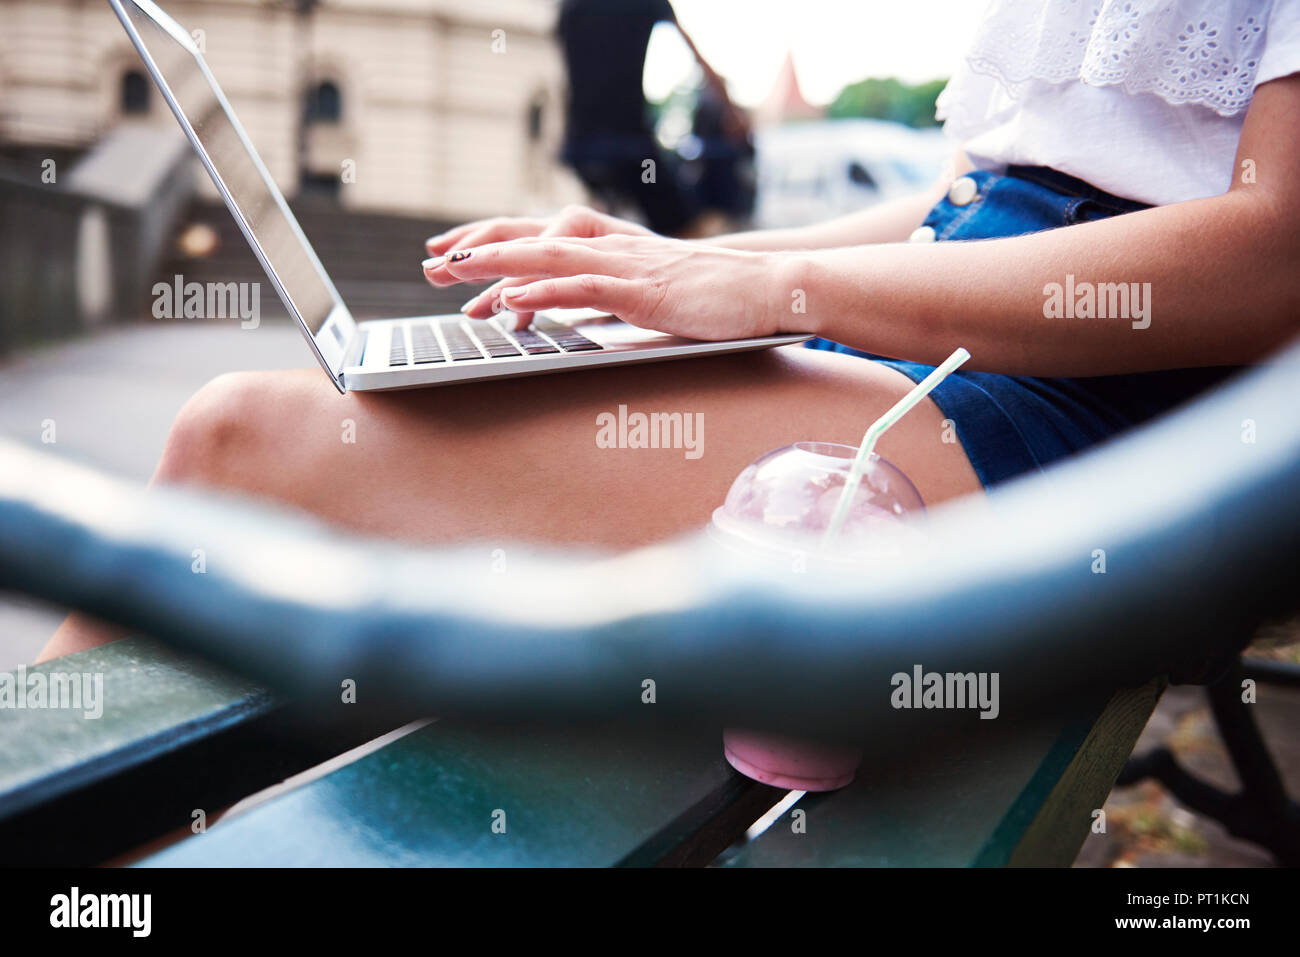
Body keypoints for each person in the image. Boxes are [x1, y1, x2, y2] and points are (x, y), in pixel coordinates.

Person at [41, 0, 1300, 660]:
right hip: (958, 344)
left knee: (243, 442)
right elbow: (967, 203)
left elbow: (1274, 252)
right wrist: (669, 271)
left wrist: (783, 297)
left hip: (1113, 427)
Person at [556, 0, 746, 235]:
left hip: (580, 145)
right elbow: (695, 56)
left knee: (602, 220)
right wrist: (731, 111)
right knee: (685, 233)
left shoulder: (571, 5)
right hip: (630, 143)